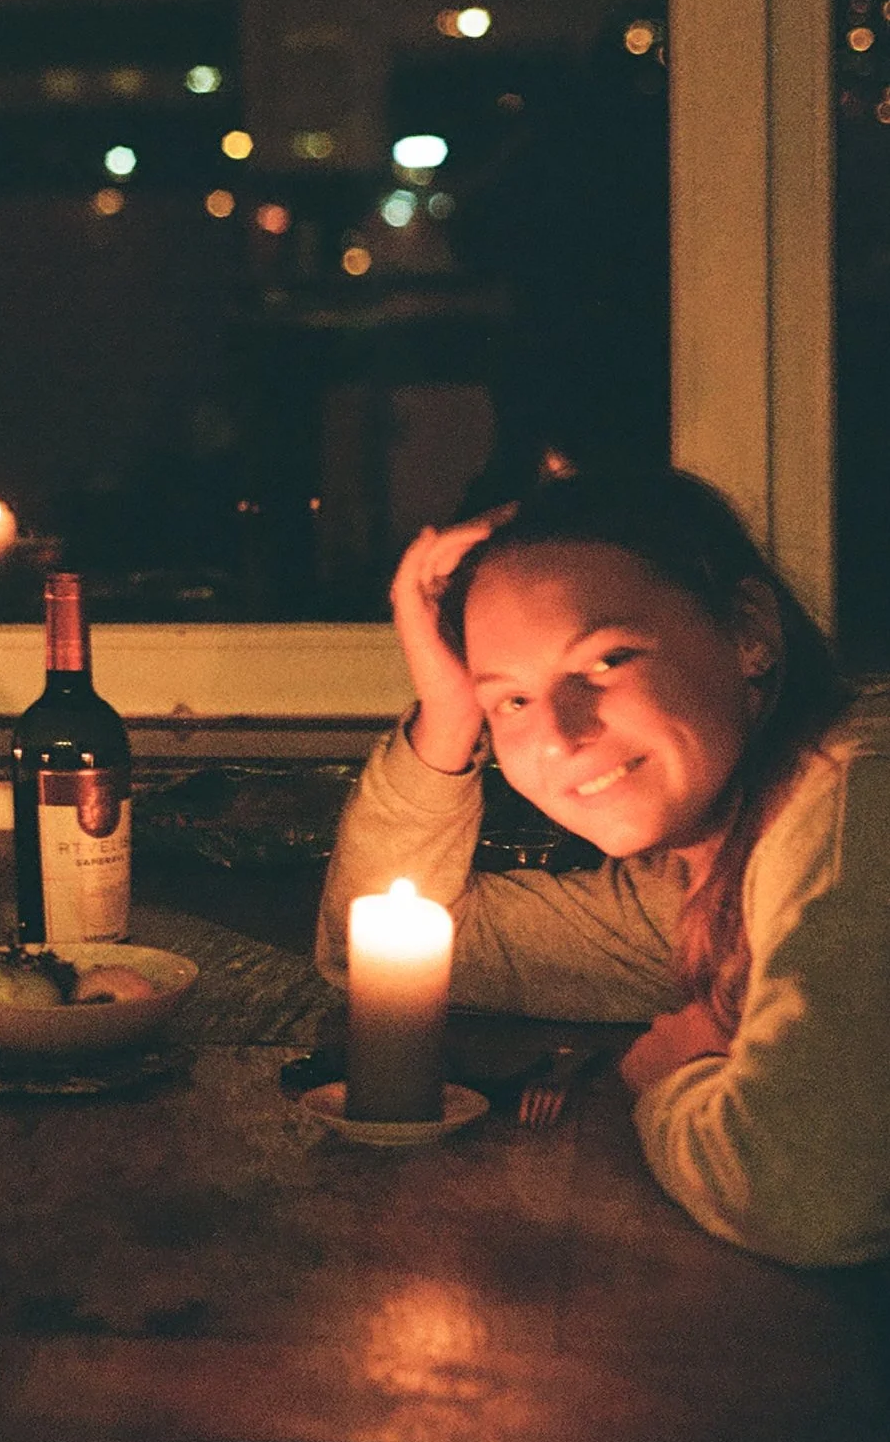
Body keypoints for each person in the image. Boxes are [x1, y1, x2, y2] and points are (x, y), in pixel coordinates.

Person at [317, 468, 890, 1267]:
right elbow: (384, 948)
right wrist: (450, 715)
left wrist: (672, 1078)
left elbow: (803, 1194)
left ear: (748, 633)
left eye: (607, 660)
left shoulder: (854, 799)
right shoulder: (694, 882)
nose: (558, 733)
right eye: (511, 701)